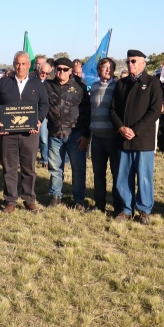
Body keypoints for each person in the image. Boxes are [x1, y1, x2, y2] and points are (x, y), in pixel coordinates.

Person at [0, 51, 49, 213]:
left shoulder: (37, 84)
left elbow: (44, 104)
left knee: (29, 168)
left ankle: (29, 199)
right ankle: (10, 200)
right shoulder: (4, 82)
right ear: (13, 64)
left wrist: (39, 120)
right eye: (17, 63)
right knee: (9, 168)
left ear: (29, 65)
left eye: (23, 63)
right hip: (9, 134)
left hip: (30, 134)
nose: (20, 66)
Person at [108, 49, 163, 224]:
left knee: (144, 177)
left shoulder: (153, 83)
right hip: (123, 138)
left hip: (143, 139)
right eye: (128, 61)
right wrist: (121, 128)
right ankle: (126, 209)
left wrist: (136, 130)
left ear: (143, 63)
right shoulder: (121, 83)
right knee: (123, 176)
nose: (130, 64)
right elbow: (112, 109)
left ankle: (144, 210)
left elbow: (155, 111)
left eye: (133, 61)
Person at [45, 58, 90, 210]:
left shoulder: (80, 86)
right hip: (55, 134)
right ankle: (56, 196)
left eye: (65, 69)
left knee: (78, 169)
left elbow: (87, 111)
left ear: (71, 70)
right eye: (58, 69)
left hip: (76, 135)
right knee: (55, 168)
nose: (61, 72)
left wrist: (86, 135)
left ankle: (78, 200)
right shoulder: (48, 86)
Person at [89, 57, 121, 213]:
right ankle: (99, 204)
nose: (108, 70)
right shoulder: (93, 87)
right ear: (99, 70)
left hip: (113, 138)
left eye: (110, 67)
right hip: (97, 138)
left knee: (117, 174)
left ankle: (118, 206)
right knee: (98, 174)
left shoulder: (118, 87)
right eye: (104, 67)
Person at [36, 60, 53, 168]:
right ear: (38, 70)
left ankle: (44, 159)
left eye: (47, 73)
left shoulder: (49, 84)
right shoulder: (31, 81)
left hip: (44, 116)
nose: (44, 75)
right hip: (31, 114)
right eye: (43, 72)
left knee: (43, 138)